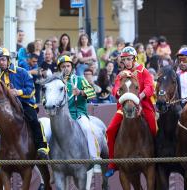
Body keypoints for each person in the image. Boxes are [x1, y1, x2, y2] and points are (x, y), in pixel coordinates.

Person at [105, 46, 156, 177]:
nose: (126, 62)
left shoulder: (144, 71)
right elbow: (115, 89)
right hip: (124, 107)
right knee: (110, 130)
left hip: (144, 106)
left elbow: (150, 87)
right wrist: (118, 92)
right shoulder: (121, 75)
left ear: (134, 58)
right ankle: (112, 163)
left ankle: (157, 158)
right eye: (124, 60)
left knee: (154, 129)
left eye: (129, 59)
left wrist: (141, 95)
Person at [0, 47, 49, 161]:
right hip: (5, 108)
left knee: (34, 121)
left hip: (24, 104)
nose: (1, 62)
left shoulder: (21, 71)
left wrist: (18, 92)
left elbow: (31, 89)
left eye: (3, 59)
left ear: (8, 60)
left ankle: (42, 147)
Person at [57, 55, 99, 160]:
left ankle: (94, 157)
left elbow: (92, 93)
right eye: (63, 66)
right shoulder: (56, 82)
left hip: (78, 114)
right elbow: (46, 99)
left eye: (68, 66)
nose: (66, 68)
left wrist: (80, 92)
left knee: (87, 128)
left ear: (71, 67)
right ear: (59, 68)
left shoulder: (80, 79)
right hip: (60, 117)